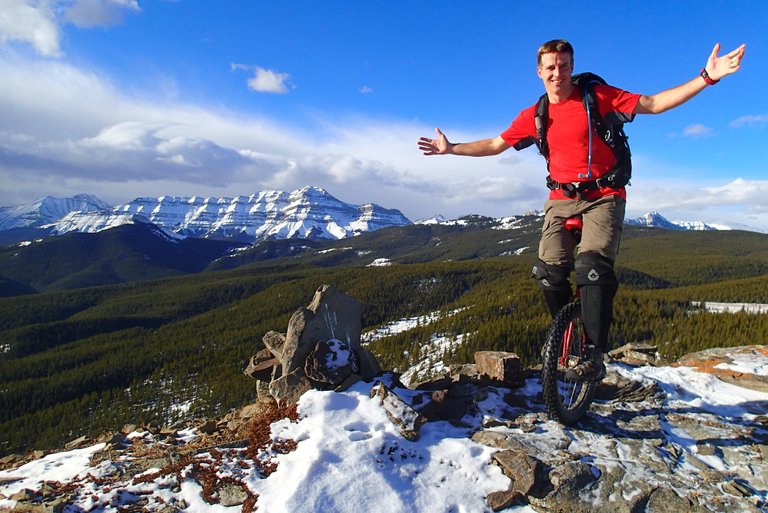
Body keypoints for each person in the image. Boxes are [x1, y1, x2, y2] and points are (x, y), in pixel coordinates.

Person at [418, 39, 746, 381]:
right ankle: (565, 331)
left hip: (604, 194)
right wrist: (451, 148)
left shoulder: (597, 98)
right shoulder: (535, 115)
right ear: (539, 72)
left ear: (571, 67)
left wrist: (708, 76)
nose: (556, 73)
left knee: (592, 268)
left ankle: (593, 352)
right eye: (550, 67)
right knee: (548, 272)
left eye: (563, 66)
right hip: (561, 199)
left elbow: (654, 103)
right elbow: (495, 144)